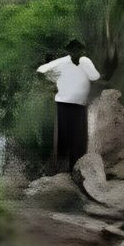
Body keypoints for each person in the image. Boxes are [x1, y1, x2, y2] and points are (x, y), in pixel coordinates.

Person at [37, 38, 100, 172]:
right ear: (69, 51)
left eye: (78, 49)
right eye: (73, 49)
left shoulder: (86, 62)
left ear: (81, 51)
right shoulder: (62, 62)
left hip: (80, 105)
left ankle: (77, 167)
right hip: (64, 104)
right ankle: (61, 170)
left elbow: (96, 77)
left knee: (79, 136)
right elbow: (41, 70)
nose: (75, 52)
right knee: (65, 136)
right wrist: (54, 81)